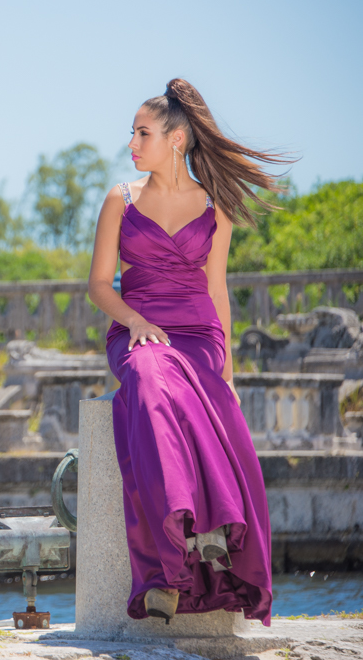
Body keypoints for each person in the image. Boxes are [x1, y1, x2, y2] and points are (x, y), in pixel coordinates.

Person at [87, 78, 290, 626]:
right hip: (136, 329)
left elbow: (217, 289)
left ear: (176, 139)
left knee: (194, 390)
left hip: (199, 334)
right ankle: (180, 550)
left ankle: (204, 536)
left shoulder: (215, 205)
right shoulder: (120, 199)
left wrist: (228, 374)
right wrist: (135, 321)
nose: (132, 142)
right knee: (150, 378)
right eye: (132, 133)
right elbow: (101, 286)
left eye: (143, 132)